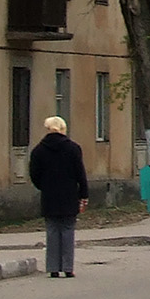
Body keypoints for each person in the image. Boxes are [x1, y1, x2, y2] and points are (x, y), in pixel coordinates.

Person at [29, 116, 89, 278]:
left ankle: (53, 268)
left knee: (52, 230)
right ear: (63, 129)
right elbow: (80, 174)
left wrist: (44, 187)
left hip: (49, 196)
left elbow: (34, 174)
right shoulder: (73, 148)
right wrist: (83, 194)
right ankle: (68, 268)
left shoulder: (38, 150)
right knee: (68, 230)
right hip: (69, 195)